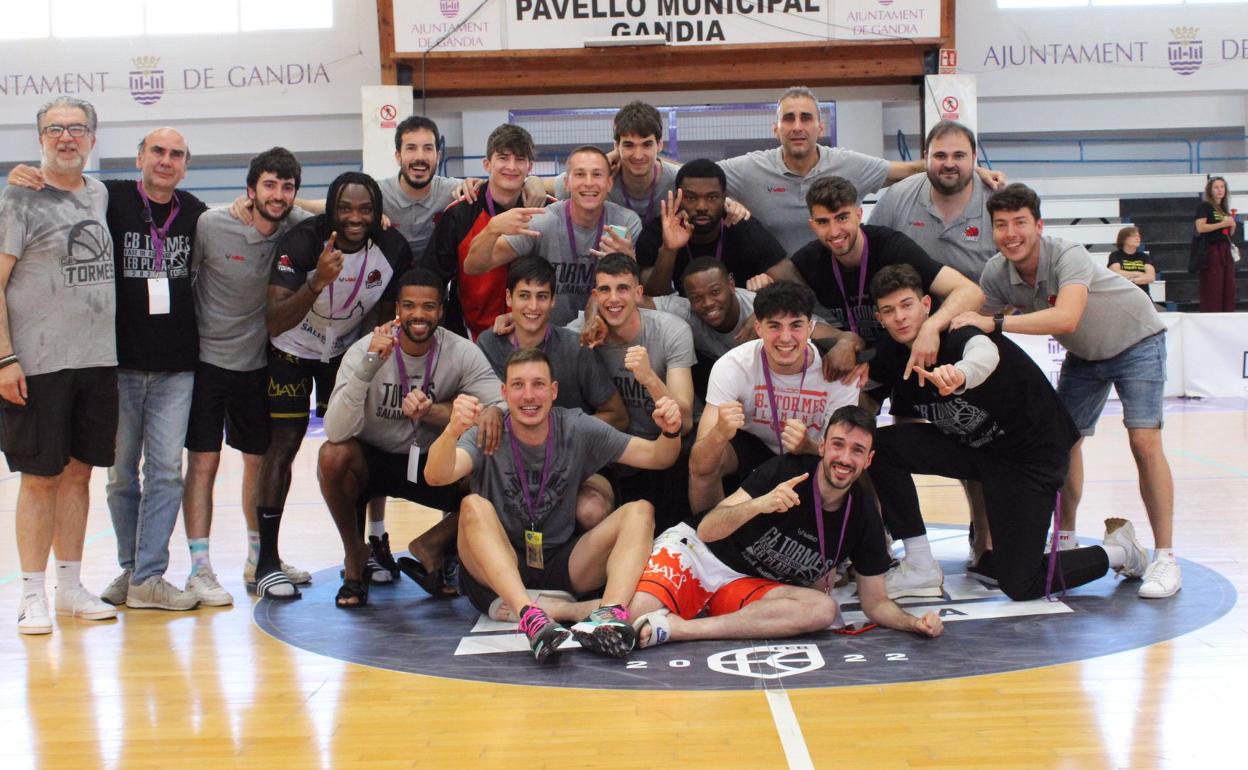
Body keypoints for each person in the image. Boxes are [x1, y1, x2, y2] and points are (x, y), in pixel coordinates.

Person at [868, 263, 1150, 600]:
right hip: (979, 451)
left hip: (1030, 457)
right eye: (889, 310)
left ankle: (1121, 551)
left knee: (1021, 582)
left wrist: (961, 375)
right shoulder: (892, 354)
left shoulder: (959, 332)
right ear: (879, 318)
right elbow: (882, 404)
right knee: (877, 447)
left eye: (906, 305)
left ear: (927, 305)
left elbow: (983, 354)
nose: (899, 317)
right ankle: (919, 564)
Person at [953, 183, 1180, 599]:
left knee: (1144, 441)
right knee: (1062, 443)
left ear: (1038, 225)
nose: (1011, 233)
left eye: (1020, 222)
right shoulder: (996, 273)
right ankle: (1065, 540)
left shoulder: (1066, 254)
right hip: (1086, 356)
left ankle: (1165, 556)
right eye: (1001, 225)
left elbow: (1067, 317)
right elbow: (972, 323)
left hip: (1137, 339)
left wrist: (997, 324)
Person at [424, 348, 684, 661]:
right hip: (497, 572)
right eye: (518, 385)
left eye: (538, 384)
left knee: (640, 510)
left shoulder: (576, 427)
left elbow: (659, 456)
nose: (529, 395)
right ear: (504, 393)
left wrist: (671, 430)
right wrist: (453, 429)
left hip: (561, 562)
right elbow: (436, 477)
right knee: (472, 506)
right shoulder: (489, 431)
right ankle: (531, 616)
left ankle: (610, 616)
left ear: (554, 390)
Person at [627, 406, 942, 647]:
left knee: (822, 610)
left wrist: (912, 623)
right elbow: (708, 529)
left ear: (869, 460)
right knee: (638, 615)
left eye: (857, 450)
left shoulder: (863, 514)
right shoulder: (786, 471)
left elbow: (875, 603)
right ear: (822, 447)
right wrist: (760, 504)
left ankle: (683, 630)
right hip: (701, 555)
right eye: (838, 445)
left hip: (749, 586)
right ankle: (583, 611)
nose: (845, 458)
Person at [253, 171, 412, 598]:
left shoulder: (392, 248)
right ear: (331, 209)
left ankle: (369, 547)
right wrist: (316, 280)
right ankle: (267, 560)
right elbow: (275, 319)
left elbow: (386, 312)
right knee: (283, 445)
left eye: (364, 209)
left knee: (362, 444)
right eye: (345, 208)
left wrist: (373, 358)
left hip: (344, 352)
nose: (354, 218)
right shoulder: (304, 242)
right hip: (290, 349)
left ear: (377, 212)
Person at [0, 97, 119, 634]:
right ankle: (31, 595)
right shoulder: (17, 198)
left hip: (96, 361)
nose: (66, 137)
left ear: (93, 138)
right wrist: (4, 358)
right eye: (55, 130)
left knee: (79, 474)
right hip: (39, 363)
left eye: (76, 129)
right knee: (39, 478)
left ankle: (69, 588)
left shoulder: (99, 192)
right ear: (41, 138)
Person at [318, 269, 504, 607]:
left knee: (497, 464)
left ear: (441, 312)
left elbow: (501, 404)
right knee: (333, 455)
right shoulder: (366, 351)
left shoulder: (460, 351)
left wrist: (468, 411)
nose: (418, 315)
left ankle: (433, 544)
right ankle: (354, 559)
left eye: (428, 307)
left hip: (432, 466)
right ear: (397, 311)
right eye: (409, 306)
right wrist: (369, 365)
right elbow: (335, 431)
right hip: (373, 462)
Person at [861, 119, 997, 563]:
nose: (949, 163)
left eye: (959, 155)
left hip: (966, 334)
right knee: (893, 439)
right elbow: (874, 251)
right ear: (927, 158)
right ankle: (888, 535)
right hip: (902, 334)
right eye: (940, 155)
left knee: (972, 435)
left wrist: (940, 325)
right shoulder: (899, 198)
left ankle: (984, 535)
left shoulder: (994, 201)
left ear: (975, 160)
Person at [182, 148, 310, 606]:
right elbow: (185, 278)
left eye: (287, 187)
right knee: (204, 464)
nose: (278, 195)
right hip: (207, 363)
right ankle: (199, 567)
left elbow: (328, 212)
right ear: (250, 189)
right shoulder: (212, 226)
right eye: (269, 185)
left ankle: (260, 559)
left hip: (258, 364)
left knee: (258, 462)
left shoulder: (295, 229)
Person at [717, 86, 1004, 256]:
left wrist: (969, 169)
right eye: (788, 119)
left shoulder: (848, 164)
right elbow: (691, 176)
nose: (797, 126)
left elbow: (907, 169)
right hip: (781, 296)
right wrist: (725, 200)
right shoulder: (750, 168)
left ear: (821, 127)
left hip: (839, 295)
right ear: (775, 128)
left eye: (806, 118)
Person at [792, 175, 985, 392]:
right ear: (812, 225)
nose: (834, 231)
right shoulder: (808, 261)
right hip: (870, 360)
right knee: (842, 414)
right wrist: (842, 339)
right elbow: (779, 312)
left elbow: (971, 292)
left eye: (842, 218)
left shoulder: (893, 247)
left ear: (858, 214)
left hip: (921, 353)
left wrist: (931, 327)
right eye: (823, 222)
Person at [689, 281, 859, 513]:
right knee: (706, 463)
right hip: (753, 448)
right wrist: (719, 433)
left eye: (796, 325)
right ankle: (709, 541)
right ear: (758, 328)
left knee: (851, 468)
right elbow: (698, 463)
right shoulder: (733, 365)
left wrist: (807, 446)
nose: (786, 337)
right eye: (775, 326)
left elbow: (843, 453)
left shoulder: (838, 371)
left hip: (811, 456)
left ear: (810, 328)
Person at [465, 145, 641, 326]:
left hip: (606, 333)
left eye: (597, 175)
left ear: (609, 183)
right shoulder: (543, 221)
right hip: (549, 339)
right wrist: (491, 229)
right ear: (566, 183)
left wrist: (630, 260)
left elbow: (641, 294)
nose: (589, 182)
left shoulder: (625, 223)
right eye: (580, 174)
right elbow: (474, 266)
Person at [583, 254, 696, 531]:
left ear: (638, 292)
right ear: (595, 296)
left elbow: (684, 422)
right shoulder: (583, 336)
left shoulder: (671, 330)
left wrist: (648, 378)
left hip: (667, 448)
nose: (614, 299)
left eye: (622, 288)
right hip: (614, 454)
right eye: (605, 290)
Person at [427, 123, 547, 339]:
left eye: (520, 159)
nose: (511, 166)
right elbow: (433, 278)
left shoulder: (547, 210)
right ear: (487, 164)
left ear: (530, 167)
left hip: (535, 334)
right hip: (471, 335)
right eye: (503, 157)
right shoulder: (458, 214)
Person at [634, 159, 793, 296]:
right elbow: (651, 297)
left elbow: (795, 286)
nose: (701, 206)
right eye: (691, 198)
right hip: (676, 320)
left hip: (736, 321)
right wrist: (669, 250)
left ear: (724, 198)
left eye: (712, 197)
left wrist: (764, 298)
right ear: (678, 197)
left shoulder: (743, 227)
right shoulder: (657, 231)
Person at [552, 101, 678, 226]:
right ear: (616, 146)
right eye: (629, 145)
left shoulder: (677, 179)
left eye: (647, 145)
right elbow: (545, 186)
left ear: (660, 145)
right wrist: (533, 182)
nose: (638, 155)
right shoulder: (600, 178)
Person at [1193, 176, 1237, 312]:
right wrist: (1223, 223)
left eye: (1222, 187)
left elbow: (1229, 233)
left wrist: (1232, 225)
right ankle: (1212, 312)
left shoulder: (1224, 208)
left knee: (1228, 284)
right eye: (1216, 187)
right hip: (1211, 248)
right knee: (1214, 284)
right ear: (1210, 190)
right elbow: (1200, 228)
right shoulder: (1204, 206)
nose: (1220, 190)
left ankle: (1227, 313)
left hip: (1225, 249)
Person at [1106, 226, 1156, 296]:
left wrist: (1132, 281)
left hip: (1142, 295)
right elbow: (1116, 273)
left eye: (1139, 236)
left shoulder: (1144, 256)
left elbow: (1151, 277)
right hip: (1122, 295)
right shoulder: (1115, 255)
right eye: (1133, 236)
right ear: (1124, 239)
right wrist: (1139, 273)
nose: (1138, 238)